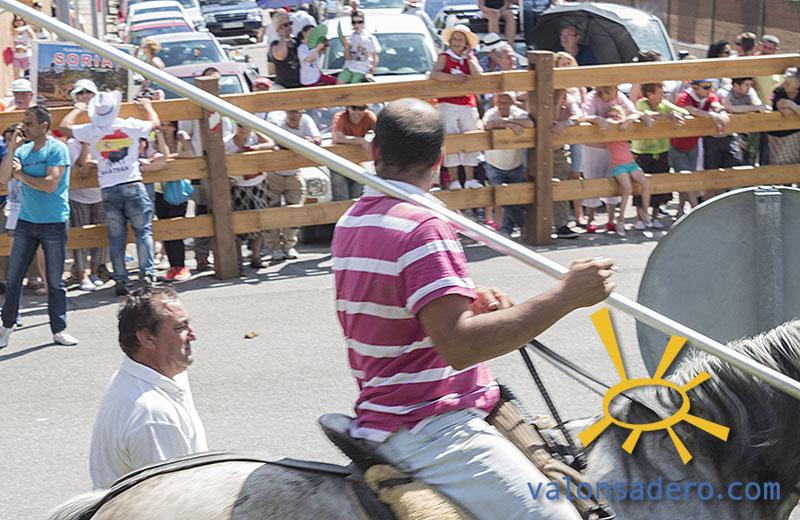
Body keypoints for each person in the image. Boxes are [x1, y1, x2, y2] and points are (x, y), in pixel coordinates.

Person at [331, 97, 613, 520]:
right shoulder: (424, 227)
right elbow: (459, 346)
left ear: (374, 150)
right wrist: (565, 296)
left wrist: (463, 296)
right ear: (441, 159)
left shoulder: (353, 219)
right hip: (430, 422)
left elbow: (393, 301)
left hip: (398, 408)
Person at [89, 287, 207, 489]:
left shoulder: (160, 377)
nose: (193, 335)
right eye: (180, 327)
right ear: (147, 338)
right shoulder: (152, 416)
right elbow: (173, 498)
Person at [59, 91, 160, 296]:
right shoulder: (130, 125)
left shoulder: (91, 130)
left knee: (116, 237)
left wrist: (77, 110)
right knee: (143, 232)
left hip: (108, 187)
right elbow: (155, 123)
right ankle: (147, 275)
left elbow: (64, 127)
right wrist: (147, 106)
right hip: (132, 182)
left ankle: (121, 279)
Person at [0, 106, 78, 348]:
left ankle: (59, 329)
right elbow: (3, 177)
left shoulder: (57, 149)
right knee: (14, 278)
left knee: (54, 280)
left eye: (29, 123)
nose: (24, 127)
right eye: (23, 123)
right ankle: (6, 327)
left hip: (54, 222)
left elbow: (50, 184)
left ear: (44, 126)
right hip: (26, 221)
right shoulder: (22, 150)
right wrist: (11, 148)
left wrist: (21, 175)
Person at [580, 85, 650, 234]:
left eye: (611, 91)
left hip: (615, 148)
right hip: (593, 146)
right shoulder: (592, 97)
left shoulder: (619, 96)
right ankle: (591, 218)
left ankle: (611, 219)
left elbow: (632, 112)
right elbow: (583, 115)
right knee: (592, 179)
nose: (608, 95)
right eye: (604, 92)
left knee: (614, 182)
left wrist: (638, 117)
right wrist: (597, 119)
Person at [65, 80, 109, 291]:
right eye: (80, 93)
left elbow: (108, 158)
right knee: (80, 234)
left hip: (102, 191)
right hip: (79, 195)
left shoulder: (105, 129)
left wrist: (91, 163)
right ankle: (82, 274)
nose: (84, 96)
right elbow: (80, 165)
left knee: (101, 234)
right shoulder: (72, 141)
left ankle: (95, 270)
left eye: (88, 92)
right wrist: (85, 147)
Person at [431, 25, 483, 190]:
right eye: (454, 39)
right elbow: (435, 74)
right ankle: (454, 180)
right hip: (447, 103)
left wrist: (468, 57)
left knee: (470, 137)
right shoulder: (444, 57)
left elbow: (478, 75)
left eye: (460, 40)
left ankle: (470, 178)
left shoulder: (470, 58)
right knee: (451, 139)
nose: (456, 42)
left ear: (466, 43)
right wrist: (453, 78)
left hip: (467, 102)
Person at [632, 83, 688, 228]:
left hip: (662, 149)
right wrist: (668, 116)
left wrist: (678, 114)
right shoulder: (642, 103)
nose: (662, 95)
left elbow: (682, 111)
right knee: (640, 186)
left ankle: (654, 216)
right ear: (650, 94)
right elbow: (646, 114)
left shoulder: (664, 104)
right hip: (643, 151)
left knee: (660, 183)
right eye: (659, 92)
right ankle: (639, 218)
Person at [669, 79, 729, 214]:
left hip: (693, 143)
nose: (709, 90)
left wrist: (722, 114)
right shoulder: (684, 97)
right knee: (687, 178)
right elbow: (689, 109)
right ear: (695, 88)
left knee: (688, 178)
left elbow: (716, 104)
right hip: (678, 145)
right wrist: (711, 115)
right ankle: (696, 211)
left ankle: (680, 209)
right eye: (706, 87)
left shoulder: (708, 96)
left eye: (710, 87)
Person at [266, 110, 317, 260]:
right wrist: (301, 143)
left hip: (294, 172)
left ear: (301, 113)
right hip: (273, 172)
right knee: (272, 211)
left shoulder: (306, 120)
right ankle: (274, 247)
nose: (294, 116)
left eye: (297, 112)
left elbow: (317, 139)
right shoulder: (277, 119)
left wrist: (310, 142)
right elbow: (275, 143)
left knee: (295, 210)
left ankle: (289, 246)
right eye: (291, 112)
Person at [224, 125, 275, 269]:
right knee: (238, 224)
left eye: (246, 127)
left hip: (258, 184)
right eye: (240, 126)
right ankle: (238, 260)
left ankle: (256, 257)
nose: (243, 130)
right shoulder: (227, 142)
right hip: (238, 186)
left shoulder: (255, 138)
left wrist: (254, 148)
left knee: (260, 222)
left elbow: (270, 144)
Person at [481, 92, 532, 236]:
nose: (502, 105)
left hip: (515, 163)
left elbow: (530, 123)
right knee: (502, 197)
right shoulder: (491, 113)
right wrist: (510, 124)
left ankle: (507, 229)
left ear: (512, 102)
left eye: (505, 102)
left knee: (514, 198)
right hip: (494, 163)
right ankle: (525, 224)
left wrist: (506, 122)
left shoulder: (518, 112)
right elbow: (486, 125)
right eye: (500, 102)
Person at [603, 104, 652, 237]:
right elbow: (606, 123)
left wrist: (627, 120)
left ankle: (645, 212)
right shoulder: (610, 128)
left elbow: (637, 114)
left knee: (646, 184)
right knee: (627, 188)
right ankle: (621, 220)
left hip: (630, 163)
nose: (614, 117)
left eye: (617, 115)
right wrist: (611, 120)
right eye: (611, 115)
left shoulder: (626, 128)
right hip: (618, 165)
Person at [331, 105, 376, 200]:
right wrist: (361, 141)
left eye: (361, 109)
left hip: (357, 162)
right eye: (354, 108)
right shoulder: (341, 117)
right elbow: (338, 137)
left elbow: (380, 133)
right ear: (348, 108)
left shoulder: (369, 117)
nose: (357, 112)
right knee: (341, 197)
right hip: (338, 161)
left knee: (357, 195)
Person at [717, 77, 765, 166]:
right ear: (735, 86)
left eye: (750, 84)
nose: (749, 87)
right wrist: (753, 108)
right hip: (725, 134)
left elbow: (760, 106)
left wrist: (740, 109)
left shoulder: (750, 91)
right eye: (746, 85)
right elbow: (729, 108)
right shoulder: (724, 92)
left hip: (745, 132)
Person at [766, 68, 800, 166]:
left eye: (788, 83)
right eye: (784, 80)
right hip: (778, 135)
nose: (784, 84)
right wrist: (796, 109)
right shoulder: (778, 91)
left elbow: (787, 107)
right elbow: (783, 109)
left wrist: (791, 105)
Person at [337, 11, 381, 84]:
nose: (357, 25)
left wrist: (371, 72)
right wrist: (346, 46)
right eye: (354, 22)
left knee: (355, 83)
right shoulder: (350, 38)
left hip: (362, 70)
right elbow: (347, 57)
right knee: (340, 82)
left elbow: (375, 56)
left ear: (364, 23)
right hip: (349, 67)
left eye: (360, 22)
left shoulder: (370, 38)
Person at [269, 12, 302, 89]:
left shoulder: (297, 41)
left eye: (290, 23)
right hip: (284, 85)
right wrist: (283, 37)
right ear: (278, 28)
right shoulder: (275, 44)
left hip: (301, 83)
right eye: (285, 25)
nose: (289, 27)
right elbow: (281, 56)